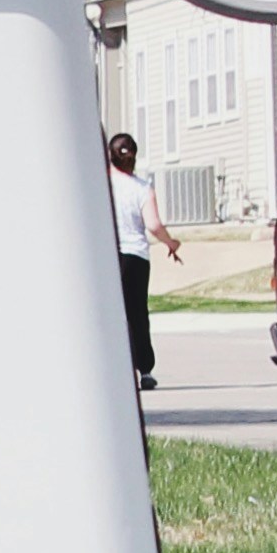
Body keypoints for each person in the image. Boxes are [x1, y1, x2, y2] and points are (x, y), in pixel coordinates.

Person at [107, 131, 181, 385]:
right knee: (137, 311)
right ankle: (144, 369)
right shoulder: (141, 188)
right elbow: (153, 224)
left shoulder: (99, 185)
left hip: (107, 253)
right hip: (135, 256)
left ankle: (113, 364)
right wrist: (170, 242)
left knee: (108, 310)